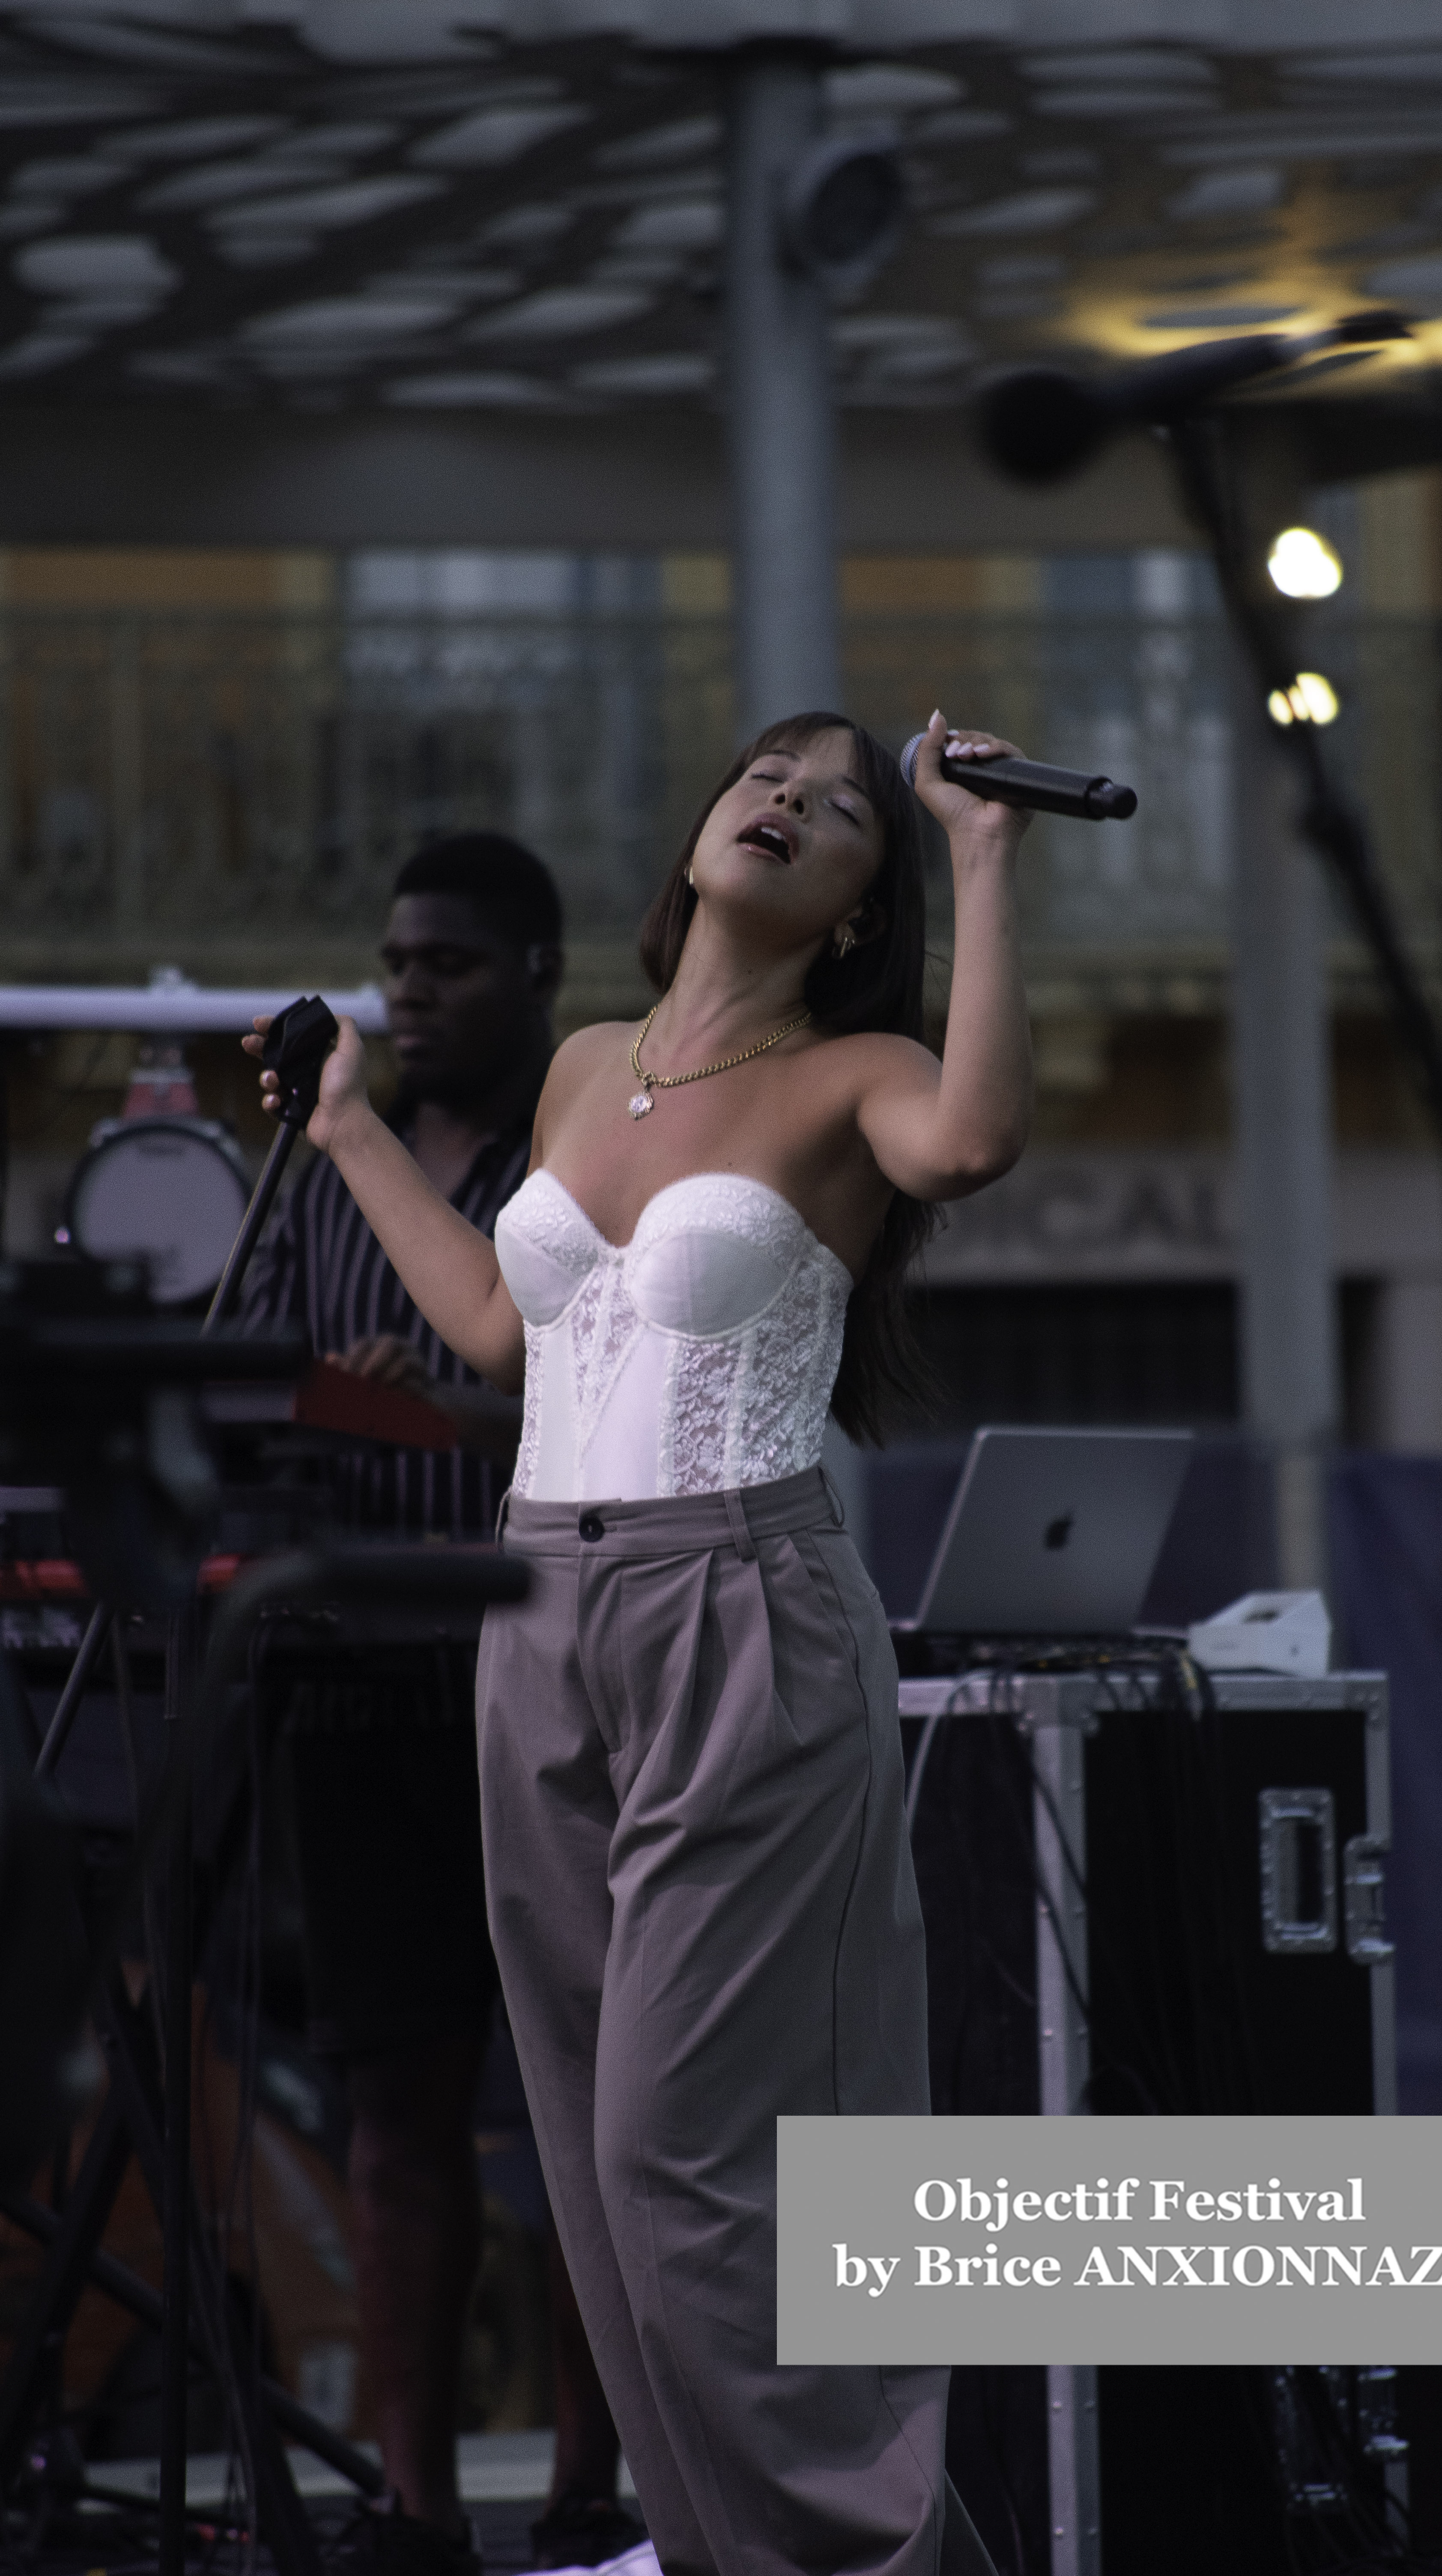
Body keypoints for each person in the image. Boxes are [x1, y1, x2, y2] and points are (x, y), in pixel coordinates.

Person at [248, 712, 1034, 2576]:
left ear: (858, 906)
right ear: (700, 827)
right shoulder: (586, 1068)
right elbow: (502, 1339)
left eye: (842, 811)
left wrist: (985, 853)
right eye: (767, 774)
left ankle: (870, 2558)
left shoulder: (864, 1068)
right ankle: (712, 2550)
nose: (788, 803)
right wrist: (349, 1126)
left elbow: (979, 1138)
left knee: (672, 2162)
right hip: (537, 1609)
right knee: (594, 2172)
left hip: (735, 1605)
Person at [244, 831, 640, 2576]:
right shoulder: (324, 1164)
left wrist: (464, 1396)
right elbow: (242, 1379)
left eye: (452, 966)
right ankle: (409, 2512)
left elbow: (627, 1400)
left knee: (583, 2108)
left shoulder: (582, 1170)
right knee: (398, 2106)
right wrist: (332, 1394)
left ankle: (589, 2489)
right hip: (358, 1688)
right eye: (398, 963)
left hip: (546, 1669)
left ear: (539, 977)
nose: (410, 992)